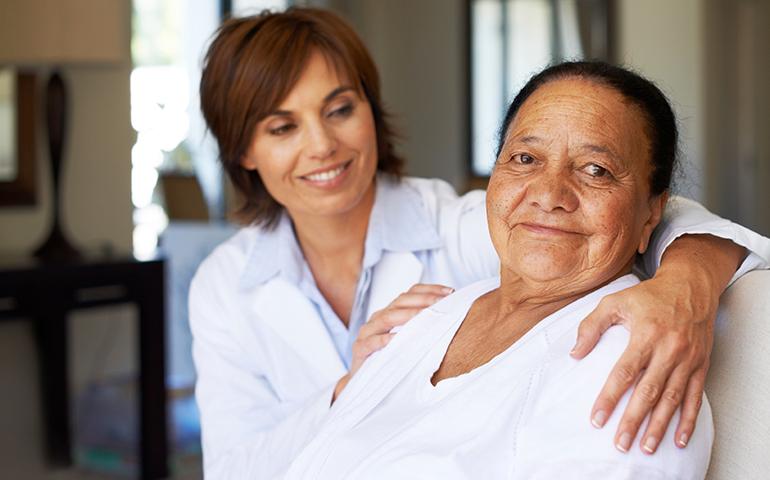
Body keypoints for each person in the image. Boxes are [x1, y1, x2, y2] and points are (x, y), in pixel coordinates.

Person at [190, 7, 770, 478]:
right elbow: (236, 467)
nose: (322, 145)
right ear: (243, 149)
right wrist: (353, 387)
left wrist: (684, 285)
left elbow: (632, 221)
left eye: (340, 109)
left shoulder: (462, 226)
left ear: (370, 109)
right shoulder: (225, 284)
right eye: (282, 126)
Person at [285, 61, 715, 479]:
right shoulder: (427, 319)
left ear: (651, 214)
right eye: (525, 158)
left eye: (595, 170)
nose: (549, 195)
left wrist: (688, 279)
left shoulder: (636, 360)